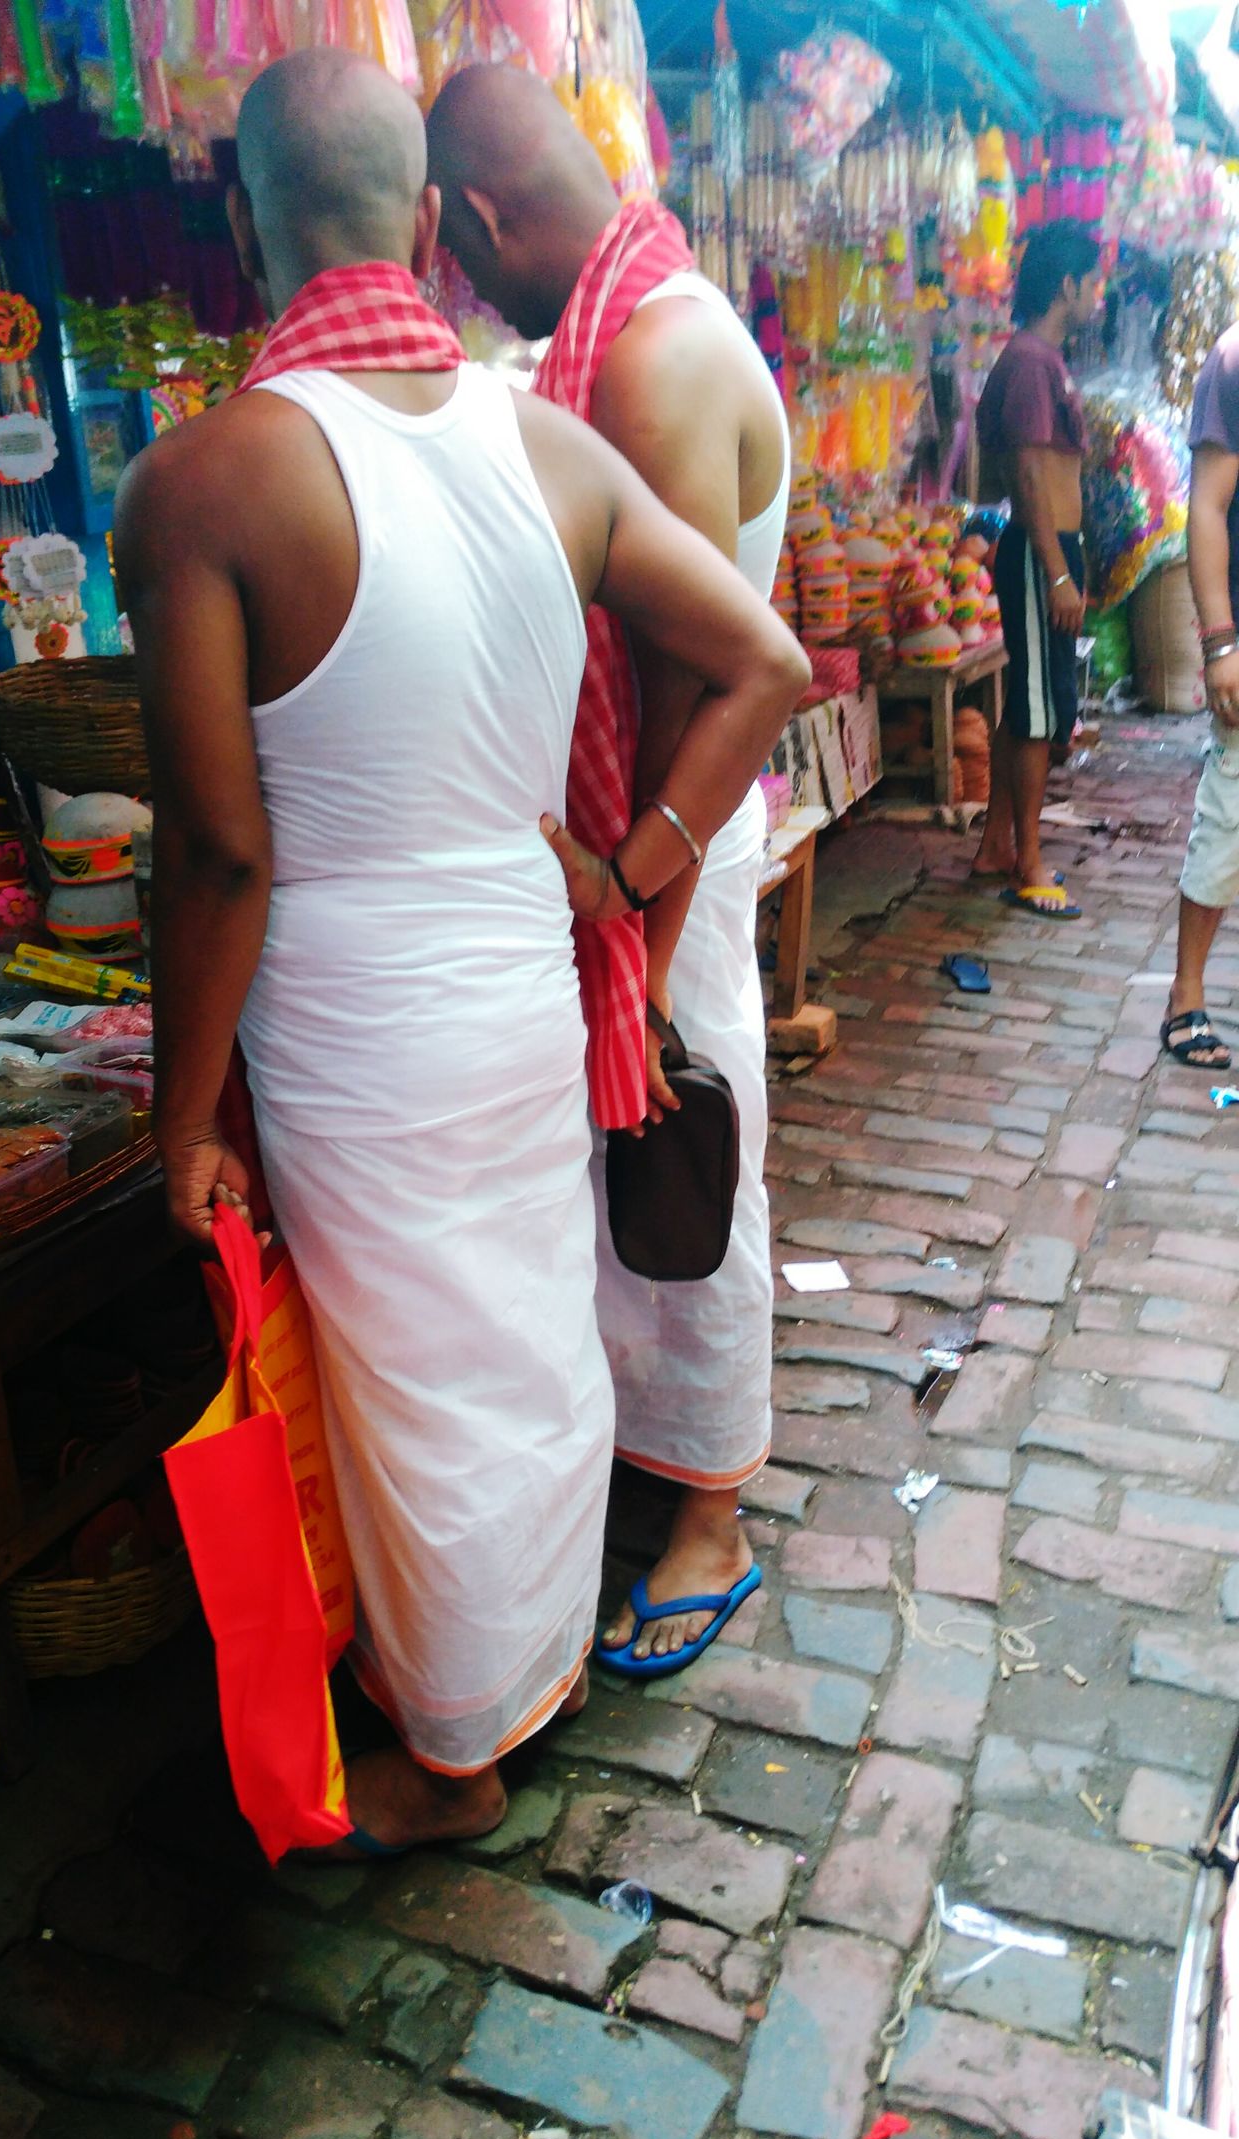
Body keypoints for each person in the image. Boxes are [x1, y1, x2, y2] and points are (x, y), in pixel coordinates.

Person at [114, 50, 807, 1854]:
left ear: (252, 235)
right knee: (517, 1332)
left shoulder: (201, 483)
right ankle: (525, 1661)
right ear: (426, 226)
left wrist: (182, 1117)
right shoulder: (547, 442)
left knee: (414, 1366)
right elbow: (765, 664)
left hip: (353, 1010)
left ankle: (455, 1751)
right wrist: (637, 871)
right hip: (518, 967)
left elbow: (211, 851)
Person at [427, 63, 792, 1676]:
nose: (470, 291)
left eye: (465, 259)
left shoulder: (646, 358)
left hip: (678, 835)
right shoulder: (644, 314)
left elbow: (706, 679)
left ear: (487, 218)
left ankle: (712, 1512)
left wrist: (630, 901)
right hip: (654, 846)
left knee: (689, 1153)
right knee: (639, 1162)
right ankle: (663, 1463)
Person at [972, 221, 1102, 916]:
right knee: (1035, 714)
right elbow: (1025, 471)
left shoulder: (1043, 359)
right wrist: (1055, 570)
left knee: (1033, 704)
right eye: (1093, 282)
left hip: (1049, 551)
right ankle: (1028, 860)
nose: (1099, 296)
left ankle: (998, 843)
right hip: (1037, 551)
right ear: (1066, 286)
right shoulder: (1029, 362)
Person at [1163, 322, 1239, 1069]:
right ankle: (1185, 995)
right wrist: (1220, 642)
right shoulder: (1234, 358)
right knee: (1229, 820)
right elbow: (1209, 507)